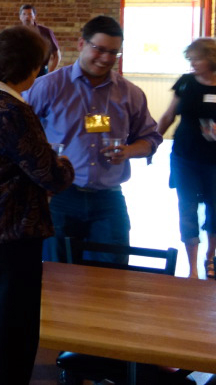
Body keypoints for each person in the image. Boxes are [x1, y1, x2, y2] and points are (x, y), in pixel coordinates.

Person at [0, 25, 75, 385]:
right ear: (31, 68)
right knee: (10, 333)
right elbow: (50, 175)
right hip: (10, 232)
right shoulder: (13, 109)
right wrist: (64, 164)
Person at [25, 15, 163, 263]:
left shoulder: (130, 93)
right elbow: (20, 131)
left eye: (113, 53)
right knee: (56, 273)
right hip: (59, 196)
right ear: (81, 44)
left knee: (111, 275)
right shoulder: (48, 86)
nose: (106, 58)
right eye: (99, 49)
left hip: (108, 199)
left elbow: (151, 138)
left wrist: (129, 151)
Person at [157, 37, 216, 279]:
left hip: (214, 160)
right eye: (189, 59)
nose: (192, 64)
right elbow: (169, 115)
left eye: (196, 59)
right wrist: (152, 142)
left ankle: (210, 258)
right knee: (187, 208)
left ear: (210, 59)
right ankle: (192, 268)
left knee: (215, 209)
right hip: (185, 157)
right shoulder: (186, 82)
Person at [19, 4, 61, 76]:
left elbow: (57, 56)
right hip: (21, 71)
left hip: (41, 71)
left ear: (35, 16)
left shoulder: (45, 32)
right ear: (20, 17)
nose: (27, 16)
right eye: (24, 14)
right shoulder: (16, 33)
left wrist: (49, 75)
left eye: (30, 14)